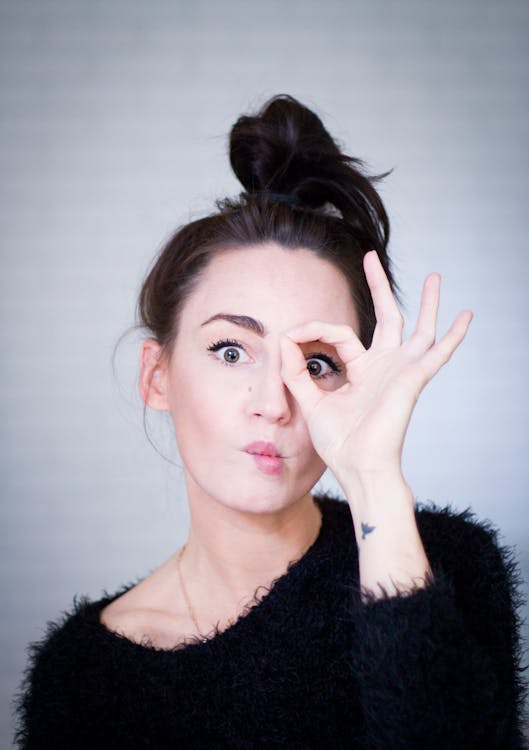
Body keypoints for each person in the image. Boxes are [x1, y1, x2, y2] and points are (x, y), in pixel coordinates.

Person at [14, 94, 527, 749]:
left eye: (315, 363)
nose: (274, 401)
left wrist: (373, 482)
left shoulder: (442, 563)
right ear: (157, 375)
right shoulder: (82, 675)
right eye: (231, 351)